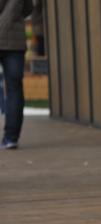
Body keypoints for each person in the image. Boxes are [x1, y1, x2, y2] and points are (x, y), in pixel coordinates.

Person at [0, 0, 33, 149]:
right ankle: (11, 138)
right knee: (14, 89)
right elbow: (28, 9)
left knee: (14, 89)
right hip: (14, 42)